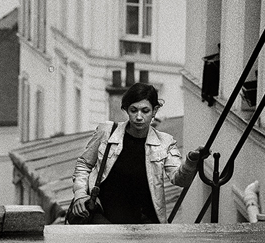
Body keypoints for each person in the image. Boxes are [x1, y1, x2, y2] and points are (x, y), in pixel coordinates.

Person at [69, 82, 208, 224]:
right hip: (105, 218)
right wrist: (80, 194)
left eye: (145, 111)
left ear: (154, 111)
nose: (139, 117)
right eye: (133, 110)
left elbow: (180, 180)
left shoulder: (165, 142)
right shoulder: (107, 132)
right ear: (126, 110)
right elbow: (84, 164)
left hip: (145, 223)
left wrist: (191, 161)